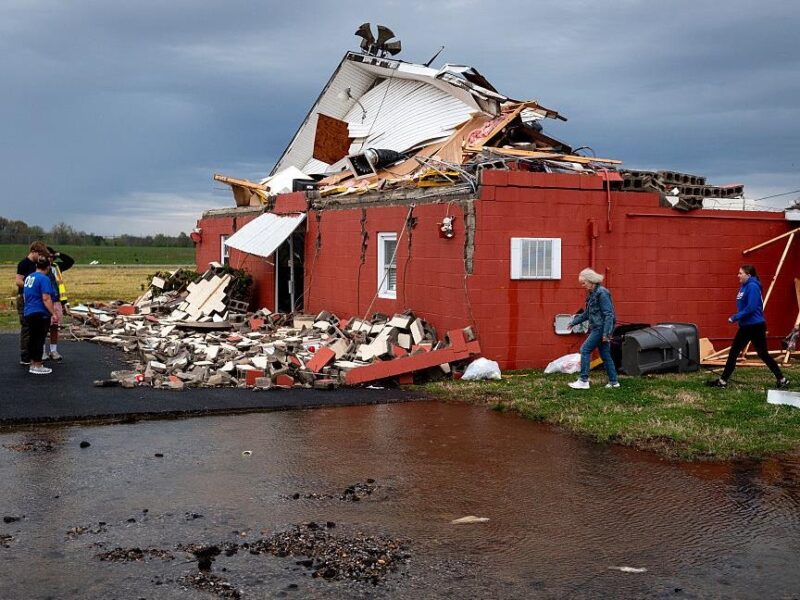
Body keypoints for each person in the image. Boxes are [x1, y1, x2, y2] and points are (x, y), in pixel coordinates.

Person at [707, 264, 790, 389]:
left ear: (748, 275)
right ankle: (782, 379)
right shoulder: (744, 286)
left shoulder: (752, 286)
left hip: (754, 326)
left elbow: (751, 307)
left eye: (740, 273)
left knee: (747, 353)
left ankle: (723, 382)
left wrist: (735, 317)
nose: (738, 275)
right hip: (748, 325)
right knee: (755, 353)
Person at [567, 267, 620, 389]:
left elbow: (609, 315)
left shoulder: (602, 293)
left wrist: (606, 334)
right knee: (605, 355)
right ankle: (614, 382)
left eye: (584, 283)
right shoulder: (592, 294)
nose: (583, 286)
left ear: (591, 280)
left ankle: (583, 381)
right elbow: (587, 313)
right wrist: (574, 322)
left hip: (600, 328)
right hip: (598, 328)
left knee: (585, 350)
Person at [23, 256, 59, 375]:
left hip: (29, 310)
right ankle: (38, 364)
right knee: (39, 338)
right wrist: (53, 313)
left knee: (32, 338)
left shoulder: (29, 277)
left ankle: (33, 363)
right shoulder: (44, 279)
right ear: (48, 267)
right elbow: (46, 298)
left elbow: (25, 295)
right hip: (39, 312)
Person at [15, 241, 49, 365]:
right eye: (39, 254)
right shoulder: (24, 264)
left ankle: (35, 355)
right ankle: (25, 356)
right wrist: (30, 286)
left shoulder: (37, 265)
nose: (40, 257)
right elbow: (18, 281)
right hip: (24, 298)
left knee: (35, 328)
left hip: (34, 299)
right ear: (33, 251)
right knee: (26, 327)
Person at [43, 246, 74, 361]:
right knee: (43, 327)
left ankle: (53, 350)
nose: (49, 258)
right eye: (47, 256)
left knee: (54, 326)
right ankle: (42, 351)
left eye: (51, 256)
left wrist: (58, 254)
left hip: (56, 301)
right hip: (43, 301)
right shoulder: (38, 268)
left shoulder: (56, 267)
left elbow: (70, 261)